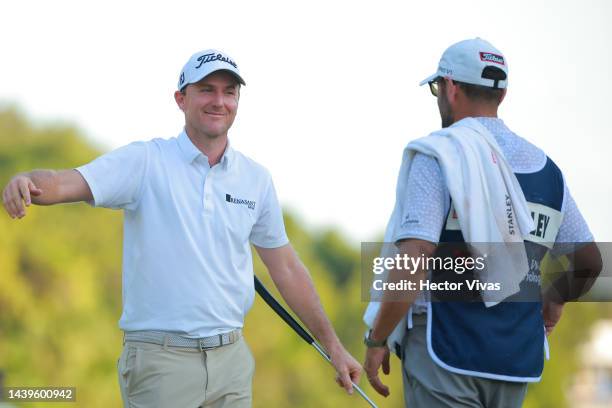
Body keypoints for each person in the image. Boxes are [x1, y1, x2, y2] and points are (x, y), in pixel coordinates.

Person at [2, 49, 361, 408]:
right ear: (181, 98)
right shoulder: (145, 161)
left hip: (231, 360)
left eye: (229, 91)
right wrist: (25, 180)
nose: (219, 101)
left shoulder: (256, 179)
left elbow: (286, 268)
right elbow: (66, 182)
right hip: (161, 362)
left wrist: (334, 346)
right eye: (206, 89)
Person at [362, 38, 602, 407]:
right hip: (513, 362)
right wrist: (554, 298)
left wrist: (377, 338)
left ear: (451, 88)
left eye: (437, 88)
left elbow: (414, 258)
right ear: (501, 94)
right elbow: (590, 262)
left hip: (445, 353)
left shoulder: (440, 154)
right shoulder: (549, 171)